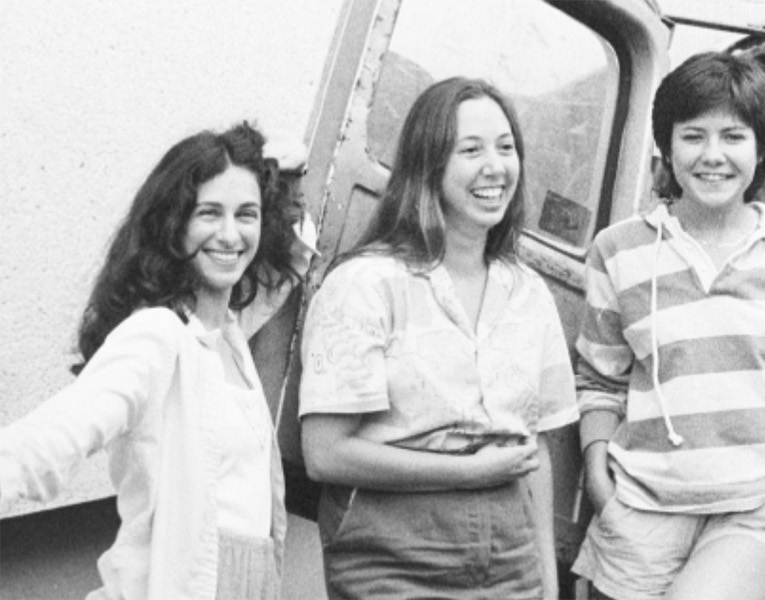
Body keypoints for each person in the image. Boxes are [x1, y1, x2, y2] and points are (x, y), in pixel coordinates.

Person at [571, 52, 765, 600]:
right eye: (693, 136)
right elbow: (599, 382)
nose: (713, 156)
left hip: (758, 512)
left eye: (733, 136)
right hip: (638, 509)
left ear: (761, 150)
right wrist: (599, 482)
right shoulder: (617, 251)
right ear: (667, 145)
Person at [0, 122, 308, 599]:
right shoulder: (158, 336)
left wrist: (285, 172)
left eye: (246, 213)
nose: (230, 234)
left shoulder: (230, 333)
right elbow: (53, 437)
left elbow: (292, 255)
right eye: (209, 213)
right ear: (174, 223)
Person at [297, 77, 577, 600]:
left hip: (510, 550)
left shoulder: (528, 292)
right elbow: (326, 455)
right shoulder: (367, 283)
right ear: (429, 166)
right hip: (395, 549)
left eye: (506, 147)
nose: (495, 166)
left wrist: (547, 582)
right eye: (470, 150)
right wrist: (466, 473)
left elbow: (533, 449)